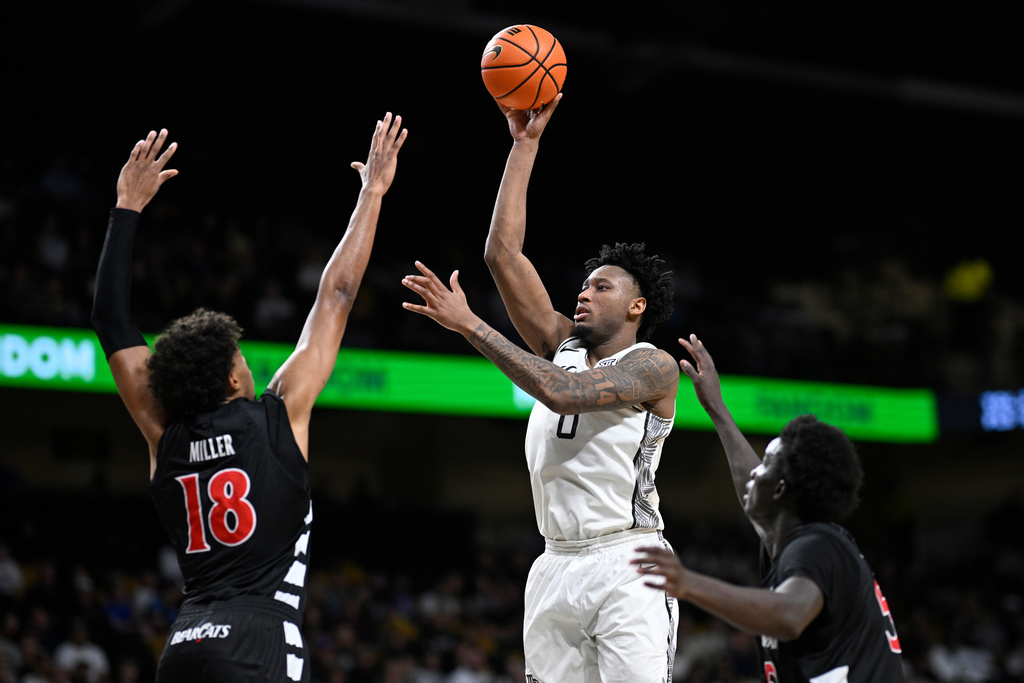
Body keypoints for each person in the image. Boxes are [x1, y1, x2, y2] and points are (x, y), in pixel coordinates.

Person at [91, 115, 407, 682]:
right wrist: (373, 195)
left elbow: (112, 321)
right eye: (241, 357)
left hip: (183, 644)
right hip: (259, 639)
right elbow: (336, 294)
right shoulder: (279, 414)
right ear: (235, 381)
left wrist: (126, 207)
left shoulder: (164, 430)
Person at [401, 93, 680, 682]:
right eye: (582, 284)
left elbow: (564, 394)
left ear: (636, 304)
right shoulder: (564, 345)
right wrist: (523, 144)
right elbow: (501, 255)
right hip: (554, 561)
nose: (583, 292)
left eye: (600, 287)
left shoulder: (653, 366)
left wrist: (472, 325)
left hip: (627, 558)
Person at [634, 334, 905, 682]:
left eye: (767, 463)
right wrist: (716, 408)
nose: (755, 470)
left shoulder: (817, 547)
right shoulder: (797, 541)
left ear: (779, 490)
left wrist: (689, 583)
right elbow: (751, 481)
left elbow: (790, 615)